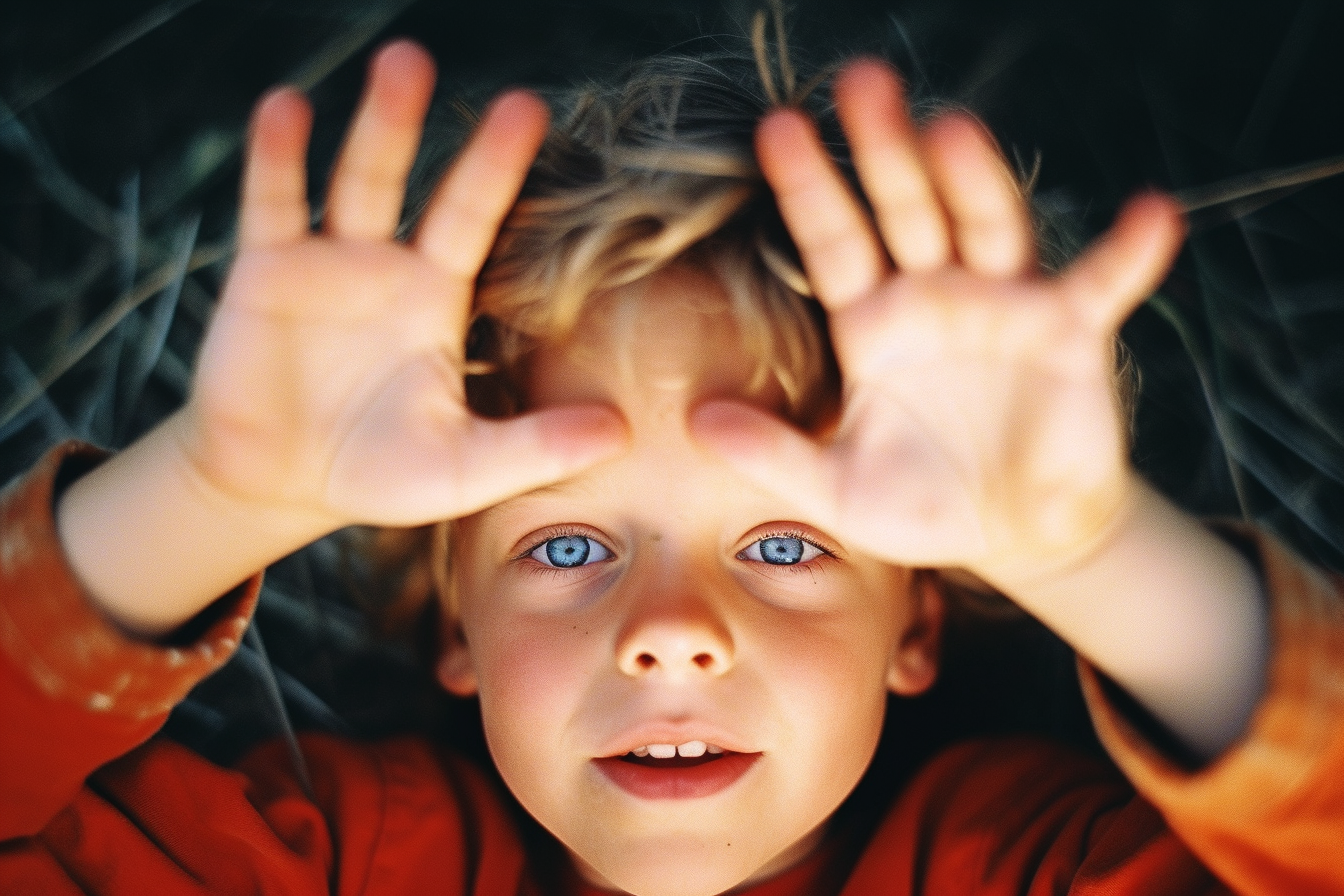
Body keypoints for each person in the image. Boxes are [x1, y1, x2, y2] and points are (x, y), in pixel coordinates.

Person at [2, 35, 1342, 896]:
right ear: (453, 618)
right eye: (568, 547)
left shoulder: (1010, 866)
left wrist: (1091, 553)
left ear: (917, 620)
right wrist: (213, 492)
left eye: (785, 545)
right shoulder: (356, 861)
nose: (672, 639)